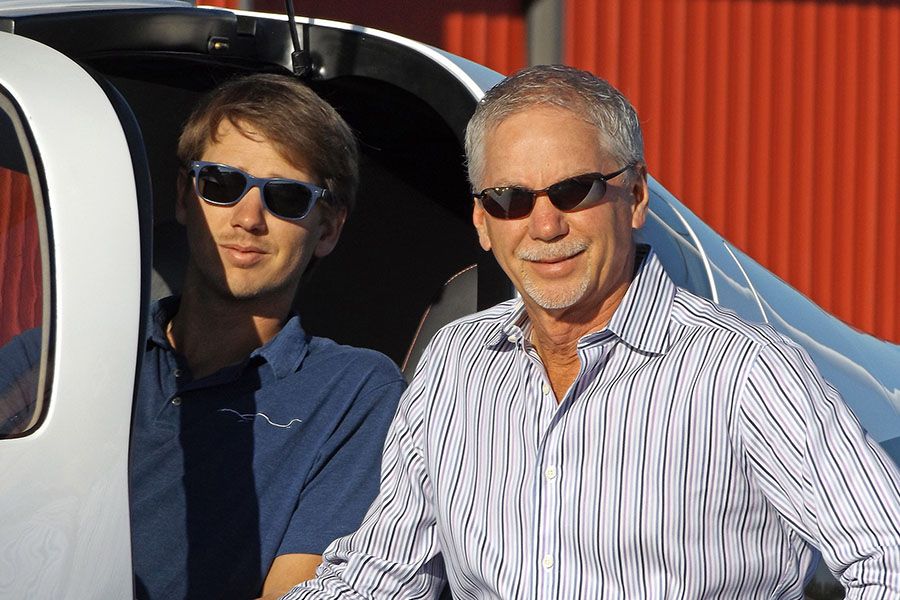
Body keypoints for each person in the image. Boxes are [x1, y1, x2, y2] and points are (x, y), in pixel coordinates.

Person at [279, 65, 900, 599]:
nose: (544, 226)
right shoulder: (455, 364)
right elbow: (380, 577)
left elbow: (886, 555)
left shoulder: (739, 369)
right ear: (481, 222)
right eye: (509, 200)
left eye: (573, 191)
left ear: (633, 197)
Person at [128, 74, 405, 600]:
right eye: (222, 184)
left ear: (327, 230)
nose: (249, 218)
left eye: (286, 196)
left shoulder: (355, 391)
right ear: (186, 198)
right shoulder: (64, 354)